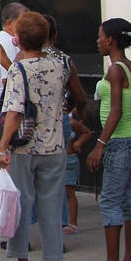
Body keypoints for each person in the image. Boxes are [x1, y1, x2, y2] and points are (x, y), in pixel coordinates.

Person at [0, 11, 68, 261]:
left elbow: (13, 112)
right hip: (55, 145)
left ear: (18, 39)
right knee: (51, 206)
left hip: (24, 149)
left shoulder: (19, 69)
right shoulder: (58, 66)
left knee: (21, 206)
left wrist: (2, 147)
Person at [84, 17, 131, 261]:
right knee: (128, 200)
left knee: (110, 201)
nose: (98, 41)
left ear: (110, 40)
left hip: (120, 144)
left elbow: (114, 110)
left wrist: (100, 145)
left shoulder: (115, 70)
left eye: (100, 36)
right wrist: (130, 119)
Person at [41, 15, 90, 234]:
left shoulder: (23, 58)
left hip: (34, 126)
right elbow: (79, 95)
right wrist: (79, 111)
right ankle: (58, 227)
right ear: (55, 34)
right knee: (57, 177)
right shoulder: (64, 59)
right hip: (60, 121)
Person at [0, 2, 28, 111]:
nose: (27, 26)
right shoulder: (8, 42)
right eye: (23, 22)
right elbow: (8, 78)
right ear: (9, 23)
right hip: (7, 106)